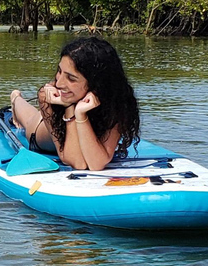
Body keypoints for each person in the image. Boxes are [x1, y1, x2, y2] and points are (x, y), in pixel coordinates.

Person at [10, 36, 139, 171]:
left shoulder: (117, 102)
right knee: (28, 119)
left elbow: (96, 164)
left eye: (71, 78)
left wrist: (81, 114)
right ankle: (15, 98)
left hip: (81, 113)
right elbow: (78, 163)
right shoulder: (48, 95)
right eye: (59, 71)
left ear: (97, 83)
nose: (59, 83)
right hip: (40, 131)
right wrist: (69, 107)